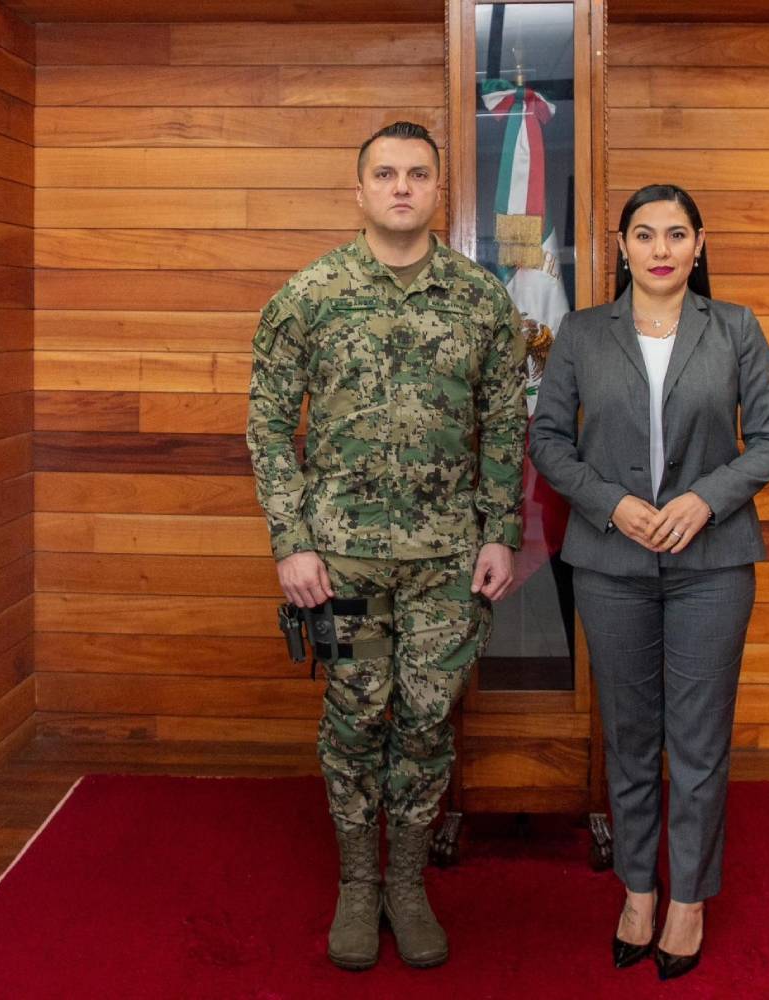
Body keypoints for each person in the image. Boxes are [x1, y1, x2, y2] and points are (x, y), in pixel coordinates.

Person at [246, 121, 526, 971]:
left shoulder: (480, 300)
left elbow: (505, 425)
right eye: (385, 174)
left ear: (439, 190)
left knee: (429, 721)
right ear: (359, 190)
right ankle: (358, 883)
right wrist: (292, 541)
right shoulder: (310, 295)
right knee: (357, 715)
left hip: (448, 565)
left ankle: (407, 882)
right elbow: (268, 425)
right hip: (343, 566)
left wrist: (501, 532)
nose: (401, 187)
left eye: (417, 174)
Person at [528, 183, 769, 981]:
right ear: (621, 247)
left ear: (699, 245)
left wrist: (704, 500)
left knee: (700, 742)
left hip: (712, 566)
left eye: (676, 234)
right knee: (631, 736)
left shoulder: (736, 327)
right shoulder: (582, 333)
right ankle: (639, 889)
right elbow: (548, 442)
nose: (660, 249)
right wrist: (611, 504)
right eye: (644, 235)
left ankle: (689, 901)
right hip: (610, 564)